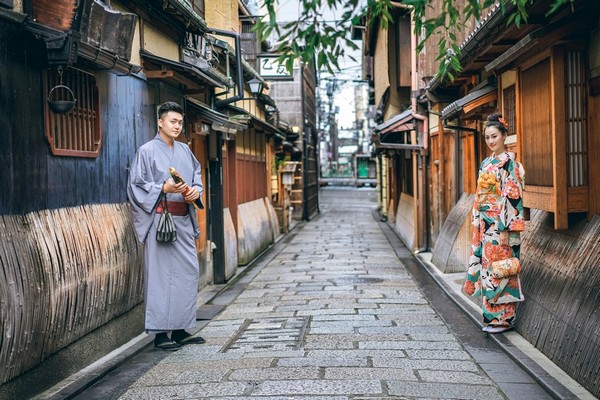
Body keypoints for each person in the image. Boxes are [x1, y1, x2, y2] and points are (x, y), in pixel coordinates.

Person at [127, 101, 206, 350]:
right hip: (160, 219)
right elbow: (136, 186)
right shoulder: (147, 151)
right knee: (161, 278)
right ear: (160, 122)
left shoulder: (185, 151)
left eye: (180, 122)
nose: (177, 126)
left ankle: (181, 329)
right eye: (173, 121)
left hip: (182, 219)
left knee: (187, 273)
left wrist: (195, 192)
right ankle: (161, 335)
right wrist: (163, 188)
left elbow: (196, 177)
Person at [463, 113, 526, 334]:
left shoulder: (511, 164)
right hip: (485, 225)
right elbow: (481, 195)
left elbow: (512, 196)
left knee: (503, 269)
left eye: (494, 136)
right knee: (488, 271)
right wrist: (478, 222)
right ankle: (490, 317)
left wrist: (505, 229)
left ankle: (505, 319)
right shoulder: (485, 163)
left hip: (501, 226)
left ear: (504, 136)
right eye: (488, 137)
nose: (491, 141)